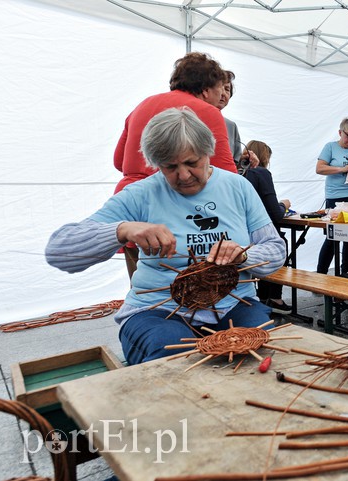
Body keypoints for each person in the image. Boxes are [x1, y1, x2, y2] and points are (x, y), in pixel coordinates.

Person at [47, 107, 286, 365]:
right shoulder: (141, 194)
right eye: (170, 166)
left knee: (261, 353)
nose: (183, 175)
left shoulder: (238, 187)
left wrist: (244, 255)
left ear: (208, 152)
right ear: (156, 164)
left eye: (192, 163)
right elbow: (59, 251)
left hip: (233, 306)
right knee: (174, 359)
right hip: (158, 310)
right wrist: (123, 229)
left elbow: (275, 249)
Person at [113, 52, 238, 281]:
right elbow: (228, 176)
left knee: (143, 289)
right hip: (174, 212)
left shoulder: (142, 106)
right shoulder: (207, 112)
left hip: (130, 205)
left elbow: (118, 161)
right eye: (221, 89)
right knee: (187, 290)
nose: (222, 95)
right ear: (206, 89)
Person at [315, 118, 348, 275]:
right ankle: (321, 273)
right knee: (332, 237)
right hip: (336, 197)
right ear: (340, 132)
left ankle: (346, 274)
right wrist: (341, 169)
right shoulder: (330, 147)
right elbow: (319, 169)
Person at [244, 140, 292, 314]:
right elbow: (275, 213)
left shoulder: (238, 174)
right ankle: (275, 298)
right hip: (259, 233)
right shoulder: (261, 173)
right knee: (278, 245)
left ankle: (263, 295)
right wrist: (284, 205)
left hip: (243, 233)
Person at [219, 71, 259, 174]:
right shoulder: (193, 118)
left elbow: (235, 166)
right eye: (219, 87)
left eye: (227, 89)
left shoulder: (231, 126)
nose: (223, 93)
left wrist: (244, 160)